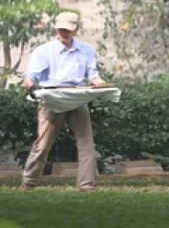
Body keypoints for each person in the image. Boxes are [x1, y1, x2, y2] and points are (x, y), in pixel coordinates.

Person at [21, 12, 107, 192]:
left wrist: (100, 84)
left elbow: (93, 76)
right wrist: (29, 84)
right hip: (52, 99)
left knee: (86, 143)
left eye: (67, 29)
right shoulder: (44, 51)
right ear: (56, 29)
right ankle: (28, 182)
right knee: (43, 144)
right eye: (61, 29)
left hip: (76, 98)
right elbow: (31, 77)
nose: (64, 32)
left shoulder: (86, 50)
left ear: (75, 30)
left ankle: (87, 185)